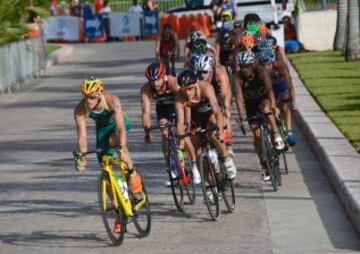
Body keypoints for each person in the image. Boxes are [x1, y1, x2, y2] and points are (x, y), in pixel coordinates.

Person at [74, 77, 142, 192]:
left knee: (114, 142)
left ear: (99, 94)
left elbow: (121, 128)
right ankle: (116, 204)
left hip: (118, 124)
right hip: (102, 128)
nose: (89, 101)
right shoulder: (80, 109)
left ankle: (132, 173)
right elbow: (82, 137)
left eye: (92, 97)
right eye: (85, 97)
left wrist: (121, 147)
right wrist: (82, 157)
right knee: (104, 166)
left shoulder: (112, 101)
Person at [175, 70, 237, 194]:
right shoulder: (179, 97)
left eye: (190, 88)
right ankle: (208, 185)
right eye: (184, 90)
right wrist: (181, 139)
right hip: (195, 119)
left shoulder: (206, 87)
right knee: (197, 152)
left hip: (210, 115)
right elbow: (181, 122)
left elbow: (217, 111)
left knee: (214, 134)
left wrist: (219, 129)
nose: (188, 92)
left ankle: (226, 158)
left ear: (196, 84)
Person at [141, 63, 201, 185]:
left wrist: (185, 124)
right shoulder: (146, 88)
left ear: (163, 76)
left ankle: (194, 164)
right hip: (163, 110)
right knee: (164, 133)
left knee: (183, 134)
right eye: (151, 81)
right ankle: (170, 168)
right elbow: (145, 112)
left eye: (157, 80)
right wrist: (147, 130)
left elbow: (186, 103)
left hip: (179, 106)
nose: (155, 84)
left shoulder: (173, 83)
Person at [233, 51, 285, 181]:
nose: (243, 69)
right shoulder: (238, 77)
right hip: (250, 103)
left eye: (246, 66)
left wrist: (273, 106)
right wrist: (241, 115)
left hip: (263, 98)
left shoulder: (261, 71)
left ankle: (276, 134)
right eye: (241, 66)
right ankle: (264, 165)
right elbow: (239, 98)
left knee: (265, 108)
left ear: (251, 65)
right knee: (256, 134)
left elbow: (270, 90)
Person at [193, 53, 234, 155]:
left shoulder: (219, 74)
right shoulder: (197, 77)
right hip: (208, 97)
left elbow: (225, 95)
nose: (202, 75)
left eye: (205, 72)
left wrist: (226, 109)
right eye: (199, 72)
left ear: (210, 69)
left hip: (219, 95)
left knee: (224, 114)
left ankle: (228, 144)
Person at [257, 48, 297, 146]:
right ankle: (273, 132)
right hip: (267, 90)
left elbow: (290, 85)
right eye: (263, 65)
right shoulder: (259, 71)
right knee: (266, 107)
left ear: (273, 63)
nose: (266, 68)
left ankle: (289, 132)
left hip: (279, 87)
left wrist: (293, 100)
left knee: (285, 105)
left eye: (268, 64)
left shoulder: (280, 67)